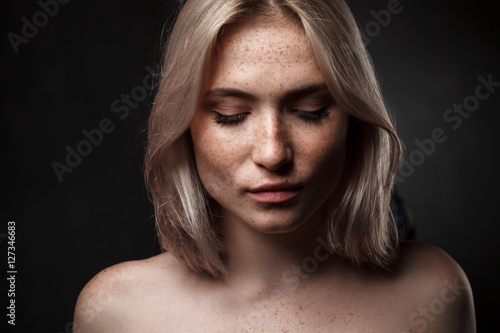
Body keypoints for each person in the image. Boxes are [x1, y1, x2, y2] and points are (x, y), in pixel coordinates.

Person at [73, 0, 476, 331]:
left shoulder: (433, 293)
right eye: (230, 115)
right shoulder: (115, 312)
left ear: (354, 121)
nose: (273, 153)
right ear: (184, 128)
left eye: (310, 111)